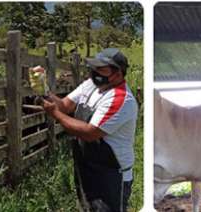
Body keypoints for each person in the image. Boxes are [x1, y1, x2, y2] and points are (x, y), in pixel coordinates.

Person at [41, 48, 138, 212]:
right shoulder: (90, 85)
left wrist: (55, 114)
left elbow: (90, 133)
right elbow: (64, 106)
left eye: (102, 69)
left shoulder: (121, 99)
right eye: (95, 68)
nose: (95, 72)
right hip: (88, 165)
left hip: (112, 175)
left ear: (118, 73)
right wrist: (42, 86)